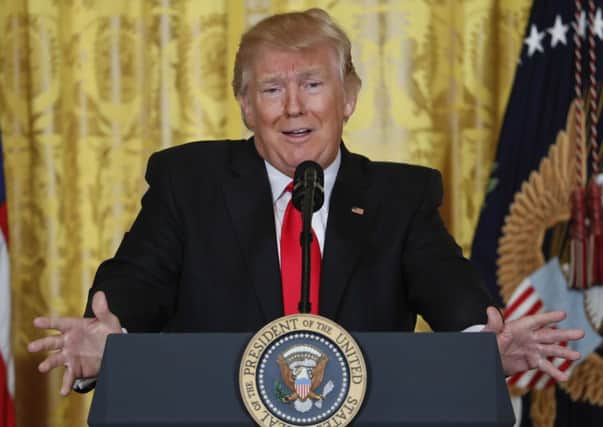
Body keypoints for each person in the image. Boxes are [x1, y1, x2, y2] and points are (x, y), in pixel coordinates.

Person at [28, 8, 584, 396]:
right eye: (271, 89)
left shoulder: (399, 194)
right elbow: (139, 278)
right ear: (246, 106)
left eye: (313, 85)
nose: (293, 107)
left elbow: (446, 284)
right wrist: (109, 336)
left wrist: (481, 346)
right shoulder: (188, 180)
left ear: (350, 97)